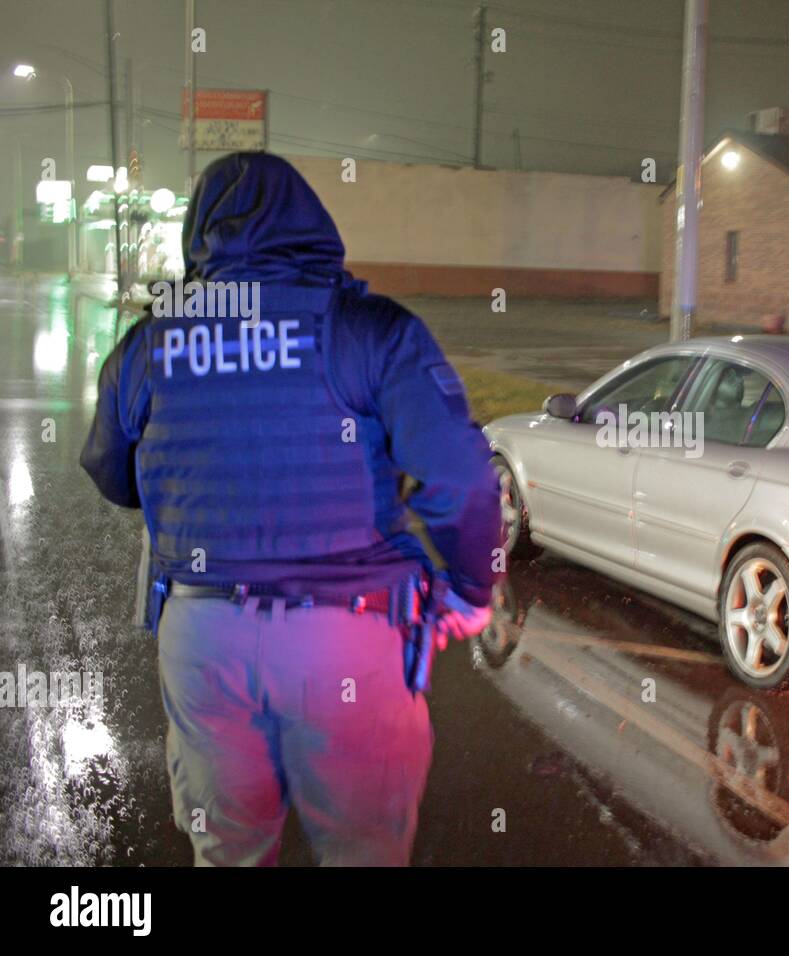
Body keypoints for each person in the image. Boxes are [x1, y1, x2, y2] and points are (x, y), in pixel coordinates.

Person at [81, 152, 503, 866]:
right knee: (364, 851)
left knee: (231, 853)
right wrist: (469, 590)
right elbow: (459, 478)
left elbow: (111, 474)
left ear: (200, 232)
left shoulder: (150, 344)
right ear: (314, 224)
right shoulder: (370, 329)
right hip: (349, 635)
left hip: (203, 634)